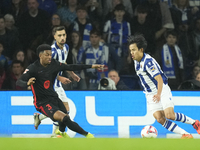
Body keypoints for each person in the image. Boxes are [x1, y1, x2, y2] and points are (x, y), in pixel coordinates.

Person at [16, 44, 103, 138]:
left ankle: (58, 133)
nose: (50, 57)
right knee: (64, 118)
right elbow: (19, 82)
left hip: (54, 97)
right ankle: (88, 135)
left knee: (66, 118)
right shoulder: (33, 68)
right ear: (40, 55)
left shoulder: (54, 64)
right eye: (47, 55)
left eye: (50, 54)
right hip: (42, 102)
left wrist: (91, 66)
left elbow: (70, 67)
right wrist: (27, 83)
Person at [127, 33, 200, 139]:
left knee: (169, 115)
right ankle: (185, 134)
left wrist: (158, 94)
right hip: (150, 94)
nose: (131, 53)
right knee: (160, 118)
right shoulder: (136, 61)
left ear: (141, 50)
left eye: (133, 50)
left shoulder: (148, 62)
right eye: (130, 50)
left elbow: (159, 79)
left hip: (161, 90)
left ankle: (195, 123)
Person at [33, 26, 81, 137]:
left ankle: (39, 117)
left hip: (57, 85)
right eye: (59, 35)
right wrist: (60, 77)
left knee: (66, 110)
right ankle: (55, 135)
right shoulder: (51, 52)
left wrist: (72, 74)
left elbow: (62, 64)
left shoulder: (66, 48)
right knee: (59, 112)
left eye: (64, 35)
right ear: (54, 36)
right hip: (49, 85)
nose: (62, 37)